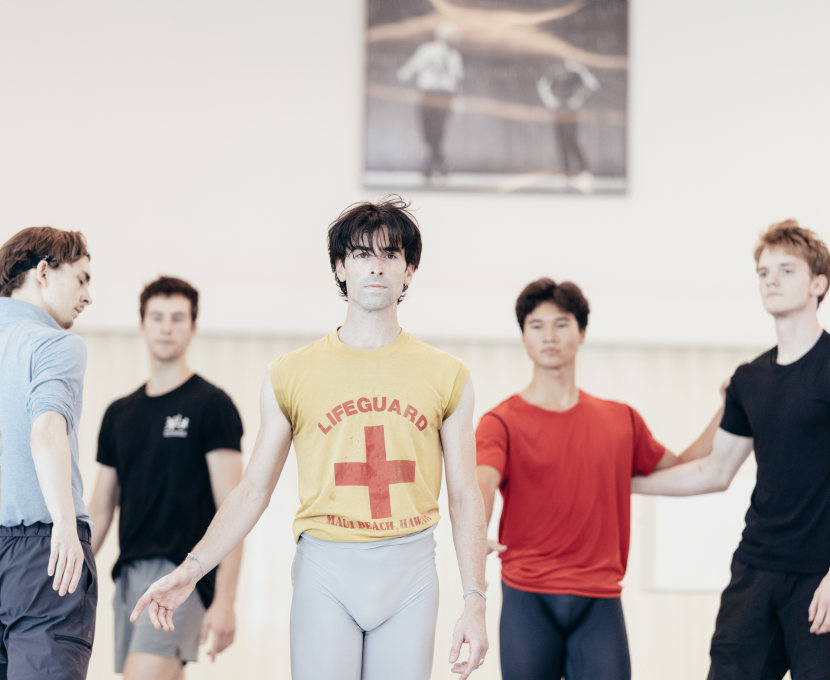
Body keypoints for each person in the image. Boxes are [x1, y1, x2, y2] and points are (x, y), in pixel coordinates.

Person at [130, 197, 488, 680]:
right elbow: (253, 490)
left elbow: (465, 495)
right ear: (340, 268)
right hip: (327, 567)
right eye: (361, 255)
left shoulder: (449, 375)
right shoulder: (290, 373)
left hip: (411, 571)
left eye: (390, 255)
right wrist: (191, 570)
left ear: (410, 271)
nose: (376, 267)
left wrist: (475, 602)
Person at [476, 277, 723, 680]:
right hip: (528, 594)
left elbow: (682, 465)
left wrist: (728, 409)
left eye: (561, 323)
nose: (549, 335)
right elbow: (482, 483)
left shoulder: (620, 419)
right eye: (536, 326)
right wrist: (477, 530)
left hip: (600, 598)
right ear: (523, 337)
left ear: (582, 332)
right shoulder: (500, 421)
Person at [632, 219, 830, 679]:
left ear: (819, 283)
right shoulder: (749, 380)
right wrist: (626, 485)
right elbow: (713, 471)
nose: (770, 281)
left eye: (785, 271)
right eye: (763, 273)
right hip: (756, 571)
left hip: (819, 575)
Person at [88, 276, 244, 679]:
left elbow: (235, 509)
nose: (167, 327)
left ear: (193, 326)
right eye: (157, 317)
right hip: (128, 575)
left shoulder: (212, 405)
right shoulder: (119, 413)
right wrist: (74, 577)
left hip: (182, 574)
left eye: (178, 318)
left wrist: (225, 600)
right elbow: (102, 506)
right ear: (142, 325)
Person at [0, 226, 96, 679]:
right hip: (41, 554)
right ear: (43, 271)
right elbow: (46, 430)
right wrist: (63, 526)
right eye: (82, 279)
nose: (88, 296)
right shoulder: (55, 344)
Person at [397, 24, 464, 180]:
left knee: (438, 130)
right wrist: (403, 74)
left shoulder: (454, 56)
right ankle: (440, 162)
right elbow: (414, 65)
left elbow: (457, 80)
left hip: (444, 96)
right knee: (427, 129)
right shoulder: (427, 50)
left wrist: (457, 101)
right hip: (427, 94)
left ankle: (431, 165)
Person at [536, 59, 599, 193]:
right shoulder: (554, 71)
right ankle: (566, 173)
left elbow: (593, 84)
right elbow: (542, 85)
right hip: (559, 111)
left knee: (571, 141)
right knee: (561, 142)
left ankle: (584, 172)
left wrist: (580, 69)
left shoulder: (576, 74)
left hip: (571, 112)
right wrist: (549, 100)